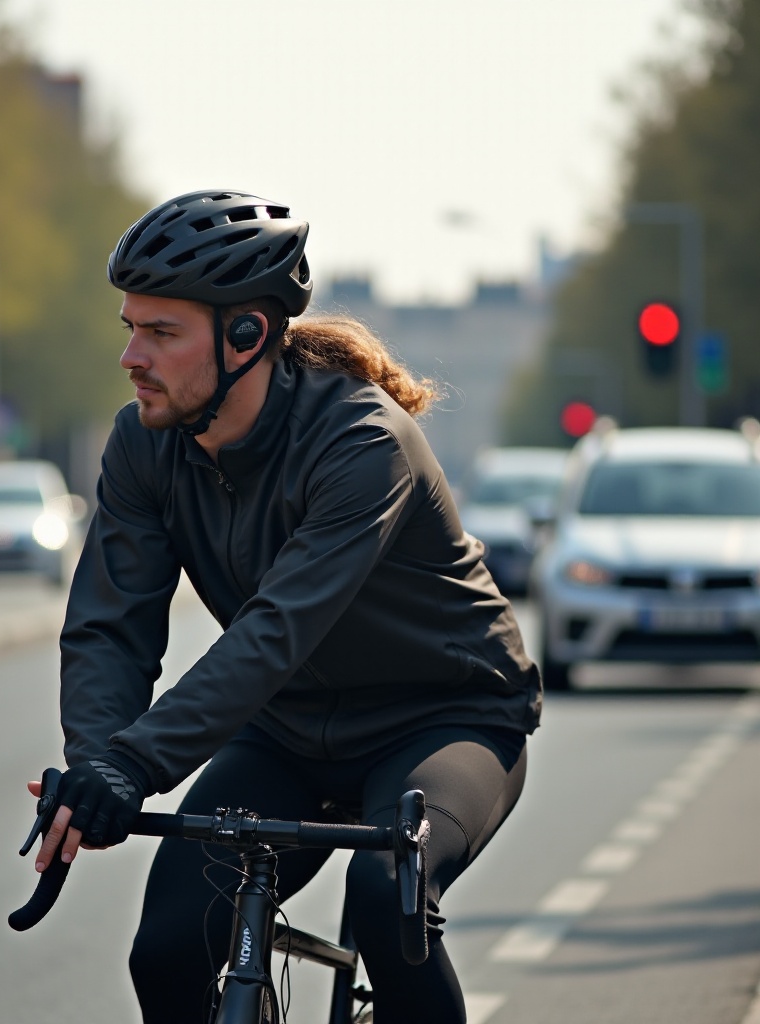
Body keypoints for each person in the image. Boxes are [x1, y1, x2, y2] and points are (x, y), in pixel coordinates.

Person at [30, 189, 542, 1023]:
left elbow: (277, 632)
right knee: (165, 948)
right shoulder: (143, 445)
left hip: (444, 716)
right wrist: (94, 764)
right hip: (290, 731)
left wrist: (138, 763)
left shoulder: (363, 443)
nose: (132, 355)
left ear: (246, 337)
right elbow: (110, 625)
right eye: (131, 326)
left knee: (388, 900)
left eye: (162, 332)